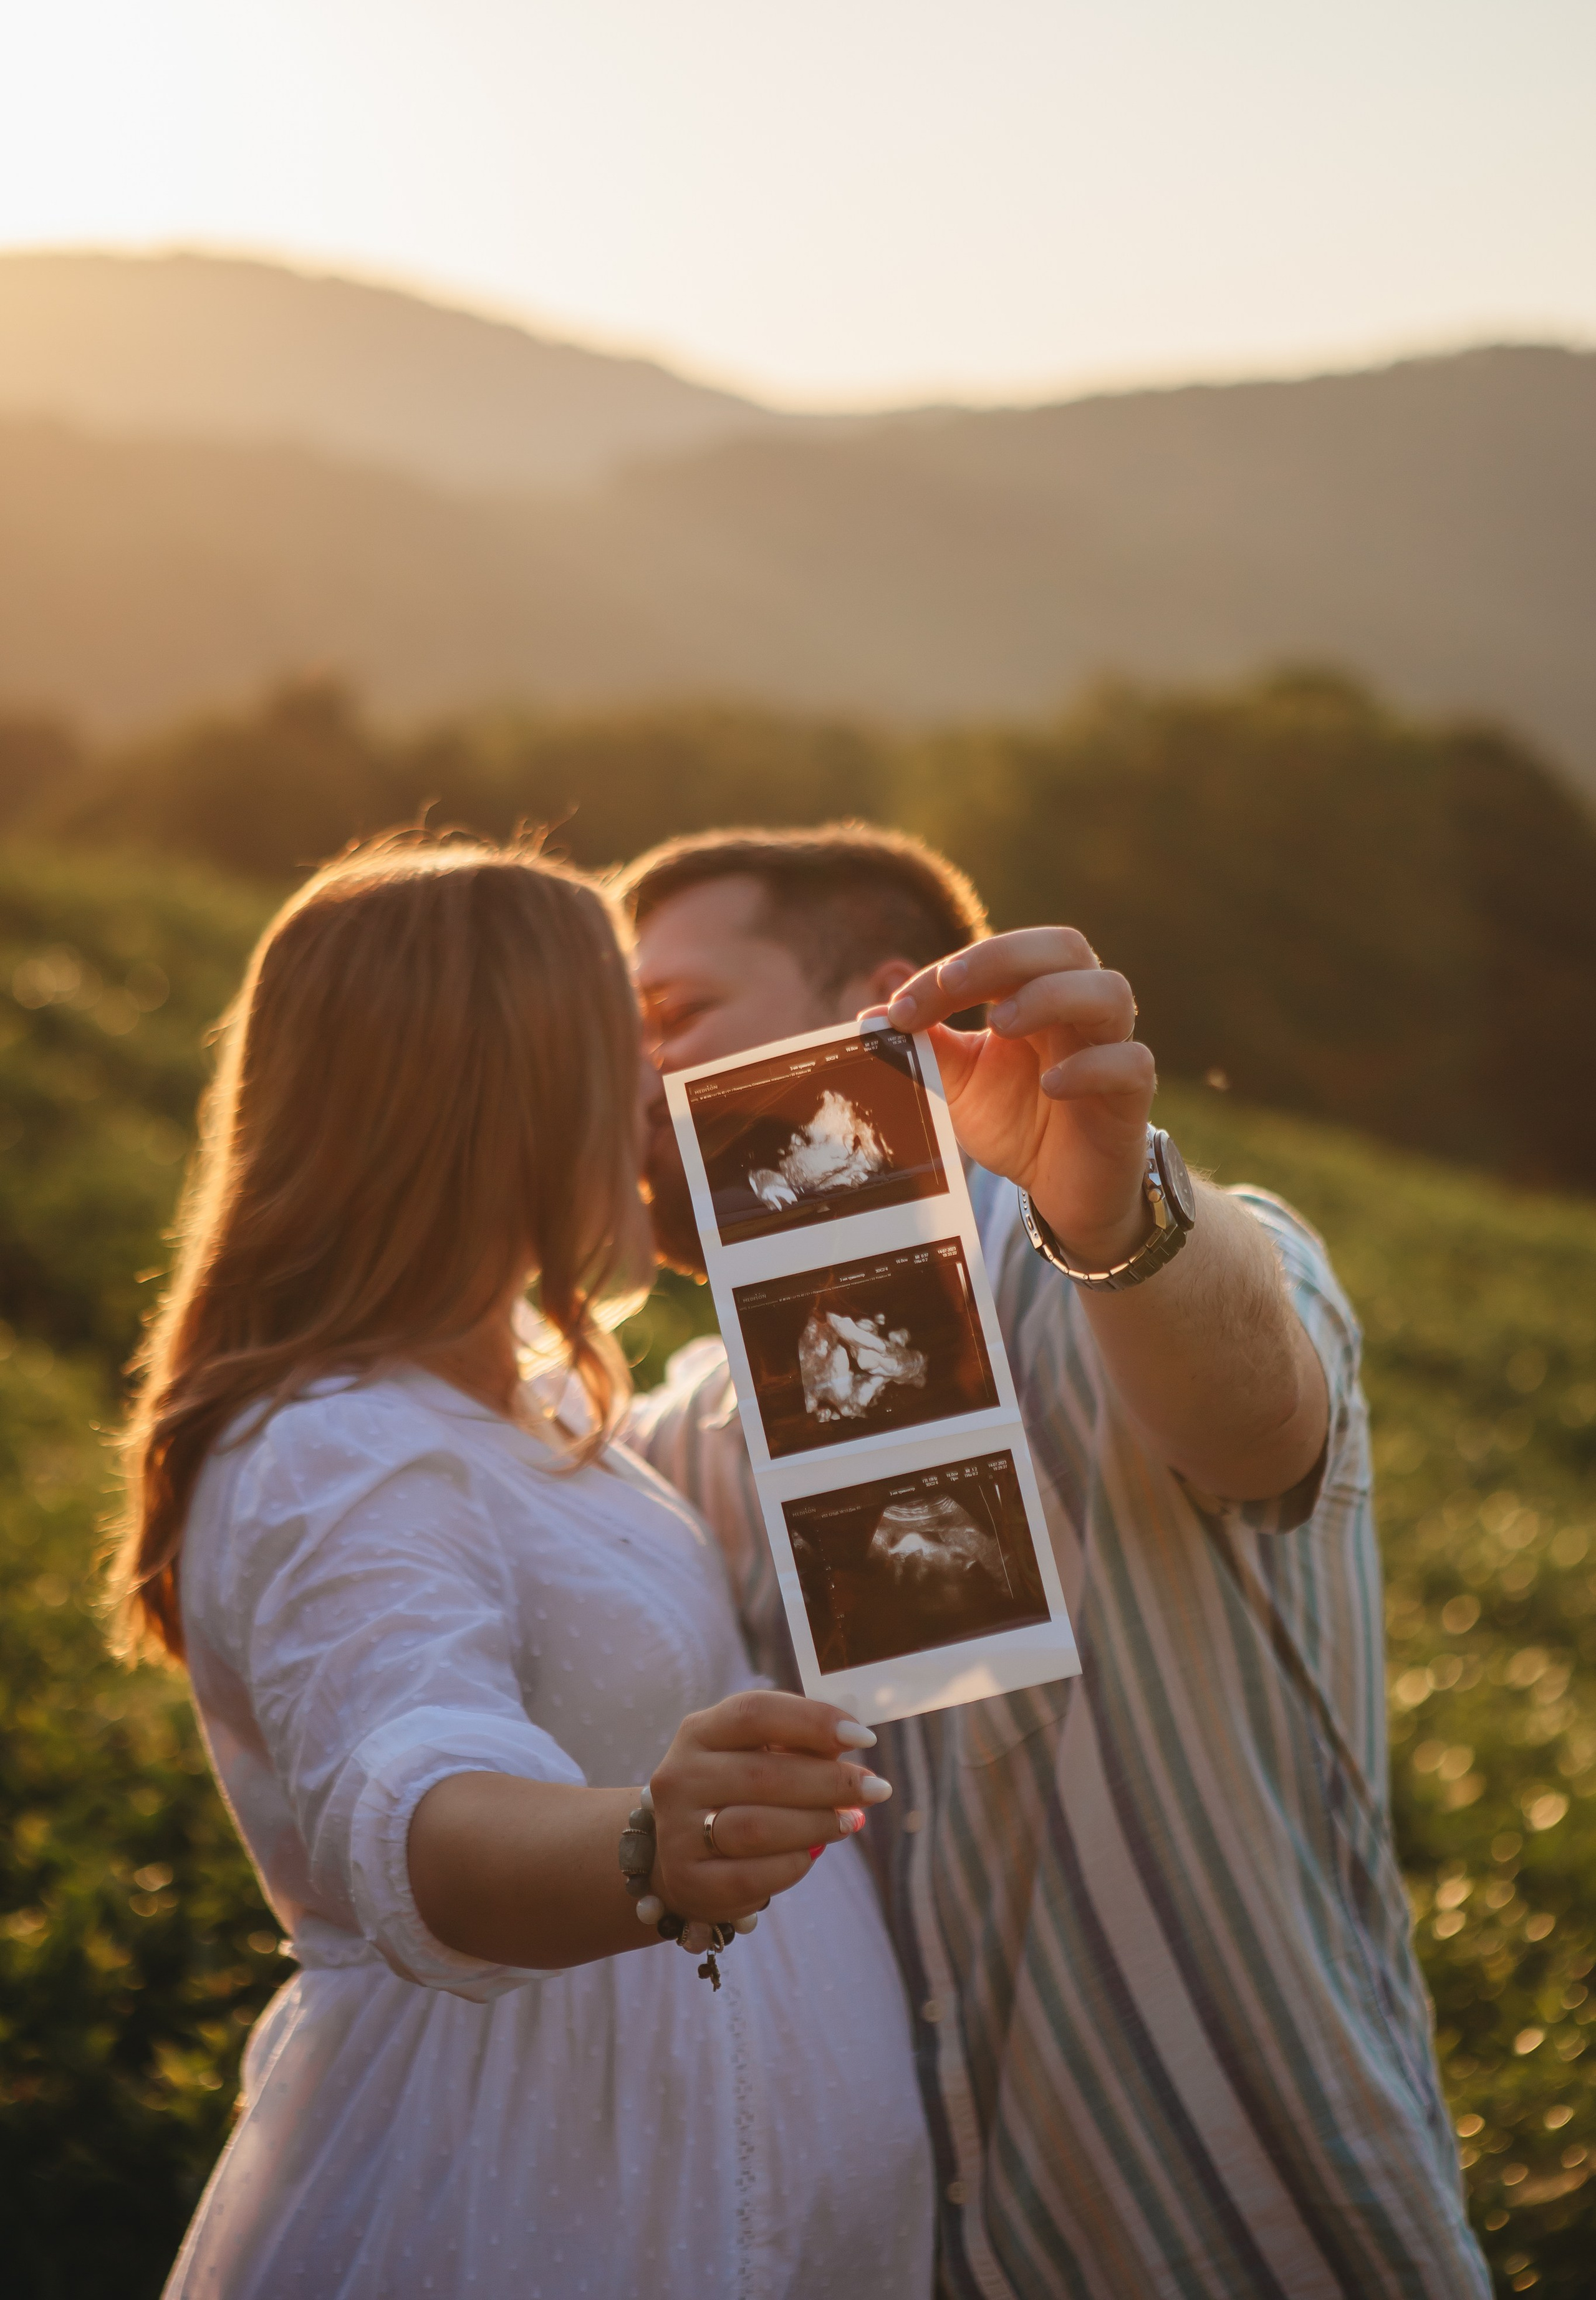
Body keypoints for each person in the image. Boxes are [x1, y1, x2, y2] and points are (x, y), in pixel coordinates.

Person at [621, 825, 1489, 2300]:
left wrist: (1108, 1216)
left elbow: (1254, 1412)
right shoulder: (702, 1422)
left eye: (667, 1020)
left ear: (886, 1006)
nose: (620, 1082)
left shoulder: (1120, 1262)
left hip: (1264, 2244)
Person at [113, 834, 933, 2300]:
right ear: (496, 1098)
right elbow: (417, 1798)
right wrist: (644, 1849)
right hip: (519, 2205)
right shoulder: (340, 1447)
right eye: (624, 1046)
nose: (654, 1095)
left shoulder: (548, 1401)